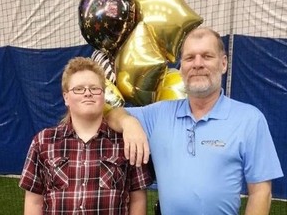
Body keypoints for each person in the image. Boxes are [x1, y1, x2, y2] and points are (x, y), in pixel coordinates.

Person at [106, 27, 284, 215]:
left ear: (223, 64)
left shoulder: (249, 119)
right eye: (190, 58)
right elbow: (112, 115)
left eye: (207, 56)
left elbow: (261, 192)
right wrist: (129, 123)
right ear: (181, 68)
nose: (197, 64)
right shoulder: (158, 114)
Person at [19, 57, 153, 215]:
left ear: (103, 96)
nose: (88, 93)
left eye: (95, 88)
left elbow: (137, 199)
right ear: (66, 97)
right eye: (79, 89)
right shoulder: (43, 142)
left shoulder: (126, 142)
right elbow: (34, 202)